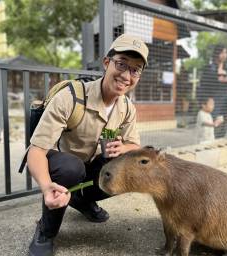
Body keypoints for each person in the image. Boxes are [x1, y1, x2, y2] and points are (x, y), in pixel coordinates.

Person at [27, 33, 149, 256]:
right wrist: (46, 187)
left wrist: (123, 149)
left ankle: (81, 201)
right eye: (121, 64)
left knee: (124, 166)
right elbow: (36, 151)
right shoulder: (70, 97)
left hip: (91, 167)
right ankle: (46, 230)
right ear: (106, 63)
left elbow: (134, 145)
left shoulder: (127, 107)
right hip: (64, 166)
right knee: (72, 168)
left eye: (135, 70)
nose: (126, 75)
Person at [200, 44, 227, 138]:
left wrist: (224, 78)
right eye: (222, 52)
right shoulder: (210, 67)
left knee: (222, 131)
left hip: (224, 104)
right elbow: (213, 80)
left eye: (226, 52)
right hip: (213, 104)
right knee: (211, 132)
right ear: (216, 53)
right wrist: (224, 78)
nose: (224, 55)